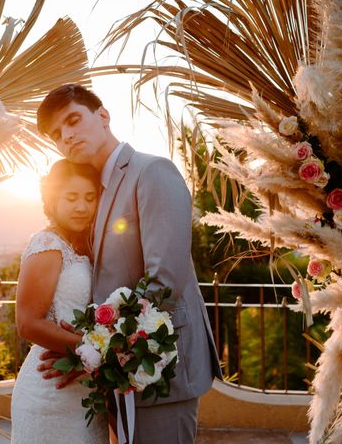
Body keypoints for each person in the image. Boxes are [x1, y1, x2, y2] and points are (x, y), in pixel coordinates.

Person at [35, 84, 222, 443]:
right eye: (57, 135)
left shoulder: (151, 172)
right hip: (122, 373)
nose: (67, 136)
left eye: (73, 120)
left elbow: (164, 280)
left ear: (103, 116)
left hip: (161, 367)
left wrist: (91, 350)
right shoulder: (97, 191)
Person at [11, 159, 109, 444]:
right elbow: (27, 324)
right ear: (52, 199)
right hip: (49, 392)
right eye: (71, 197)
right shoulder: (47, 245)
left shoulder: (87, 244)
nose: (81, 206)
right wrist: (94, 352)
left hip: (88, 389)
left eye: (89, 198)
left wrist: (96, 358)